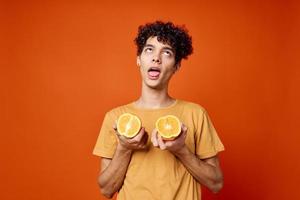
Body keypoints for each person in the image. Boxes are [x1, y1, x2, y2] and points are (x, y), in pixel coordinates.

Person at [93, 21, 225, 200]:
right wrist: (124, 148)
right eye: (149, 50)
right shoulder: (116, 118)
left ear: (177, 66)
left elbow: (216, 184)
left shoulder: (196, 114)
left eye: (166, 52)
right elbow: (106, 190)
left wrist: (181, 150)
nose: (156, 58)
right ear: (138, 59)